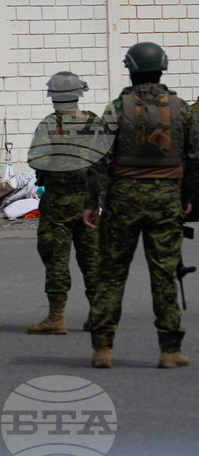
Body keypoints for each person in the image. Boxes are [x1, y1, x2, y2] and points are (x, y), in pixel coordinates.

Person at [84, 42, 199, 369]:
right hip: (165, 202)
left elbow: (97, 161)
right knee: (164, 274)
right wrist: (186, 197)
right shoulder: (182, 108)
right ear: (162, 67)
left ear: (131, 69)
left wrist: (93, 203)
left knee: (111, 273)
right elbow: (196, 158)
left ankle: (103, 349)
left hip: (122, 201)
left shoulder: (117, 108)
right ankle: (169, 350)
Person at [26, 71, 105, 336]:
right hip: (88, 202)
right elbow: (107, 160)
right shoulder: (94, 122)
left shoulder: (49, 125)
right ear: (78, 94)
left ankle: (56, 317)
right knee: (92, 259)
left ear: (54, 98)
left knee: (56, 258)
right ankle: (97, 315)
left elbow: (36, 159)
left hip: (58, 201)